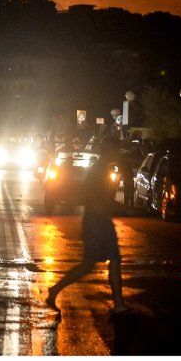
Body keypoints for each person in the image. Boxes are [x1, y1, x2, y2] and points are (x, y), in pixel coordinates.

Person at [45, 135, 131, 315]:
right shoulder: (99, 171)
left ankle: (118, 303)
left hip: (97, 220)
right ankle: (118, 304)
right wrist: (125, 209)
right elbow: (98, 200)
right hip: (98, 221)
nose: (118, 154)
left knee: (107, 261)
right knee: (96, 263)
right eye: (116, 150)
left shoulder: (100, 170)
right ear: (109, 151)